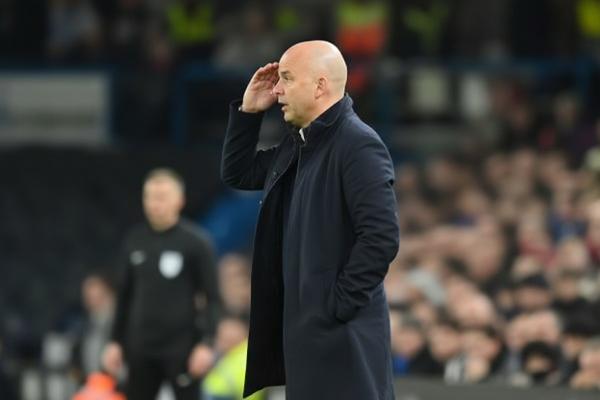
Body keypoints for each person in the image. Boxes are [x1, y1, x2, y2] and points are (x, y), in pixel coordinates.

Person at [221, 40, 399, 399]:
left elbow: (381, 237)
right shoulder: (300, 144)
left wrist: (334, 307)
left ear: (320, 86)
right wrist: (248, 112)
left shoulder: (358, 144)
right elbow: (238, 173)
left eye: (287, 78)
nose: (277, 90)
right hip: (307, 337)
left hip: (344, 339)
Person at [102, 168, 221, 400]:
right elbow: (124, 296)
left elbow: (213, 298)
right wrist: (115, 341)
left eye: (162, 197)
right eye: (149, 196)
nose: (155, 203)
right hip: (140, 348)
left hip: (182, 348)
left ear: (180, 200)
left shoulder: (196, 243)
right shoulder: (134, 240)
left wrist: (207, 344)